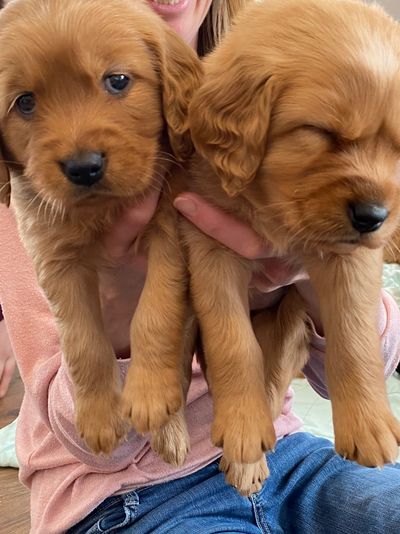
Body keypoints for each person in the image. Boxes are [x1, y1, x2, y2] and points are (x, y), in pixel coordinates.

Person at [0, 0, 399, 533]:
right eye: (26, 103)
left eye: (118, 82)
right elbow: (97, 442)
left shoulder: (265, 82)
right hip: (121, 493)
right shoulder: (32, 199)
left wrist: (309, 272)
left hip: (283, 453)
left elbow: (357, 368)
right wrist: (121, 305)